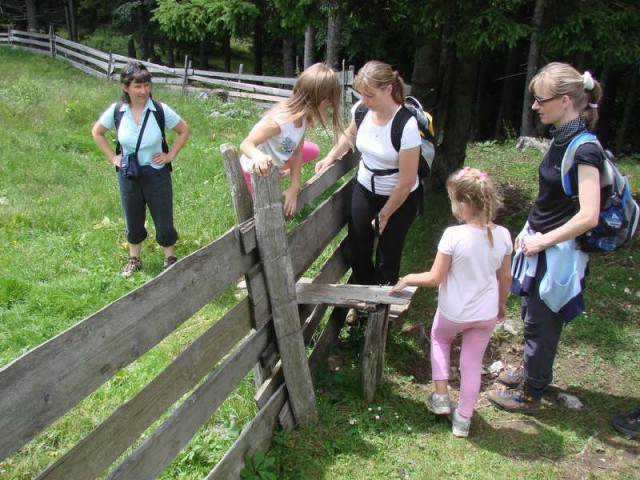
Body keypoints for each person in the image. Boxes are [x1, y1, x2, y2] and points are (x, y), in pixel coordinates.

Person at [486, 62, 603, 413]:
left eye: (540, 100)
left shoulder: (585, 149)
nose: (535, 106)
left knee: (542, 318)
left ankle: (531, 392)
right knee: (531, 313)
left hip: (557, 253)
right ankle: (531, 371)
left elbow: (589, 215)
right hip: (540, 244)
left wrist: (543, 240)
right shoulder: (562, 137)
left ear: (565, 100)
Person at [390, 167, 512, 437]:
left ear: (465, 203)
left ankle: (441, 397)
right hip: (486, 313)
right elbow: (505, 277)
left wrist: (408, 278)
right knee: (471, 363)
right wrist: (502, 304)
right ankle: (463, 420)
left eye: (453, 201)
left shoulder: (453, 236)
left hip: (453, 312)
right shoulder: (503, 235)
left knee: (440, 340)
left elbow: (435, 278)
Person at [315, 61, 422, 322]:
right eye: (361, 94)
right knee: (358, 249)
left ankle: (377, 315)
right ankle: (365, 302)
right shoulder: (361, 111)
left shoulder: (406, 126)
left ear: (387, 90)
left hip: (400, 196)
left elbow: (407, 181)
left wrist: (385, 215)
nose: (364, 100)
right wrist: (330, 157)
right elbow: (349, 137)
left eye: (370, 95)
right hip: (365, 188)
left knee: (388, 255)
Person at [92, 61, 190, 278]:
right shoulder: (117, 111)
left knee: (164, 218)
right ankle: (134, 259)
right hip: (129, 173)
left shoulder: (160, 110)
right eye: (137, 86)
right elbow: (97, 132)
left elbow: (184, 130)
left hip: (157, 172)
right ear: (126, 87)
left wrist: (169, 155)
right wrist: (113, 157)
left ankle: (170, 258)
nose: (143, 91)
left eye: (147, 85)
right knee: (132, 217)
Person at [239, 62, 343, 217]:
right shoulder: (278, 122)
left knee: (312, 150)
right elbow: (246, 144)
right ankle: (276, 169)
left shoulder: (302, 119)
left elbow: (297, 153)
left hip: (274, 158)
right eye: (329, 105)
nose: (328, 109)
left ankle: (278, 168)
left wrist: (294, 187)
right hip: (252, 170)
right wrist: (258, 156)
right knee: (262, 213)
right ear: (322, 101)